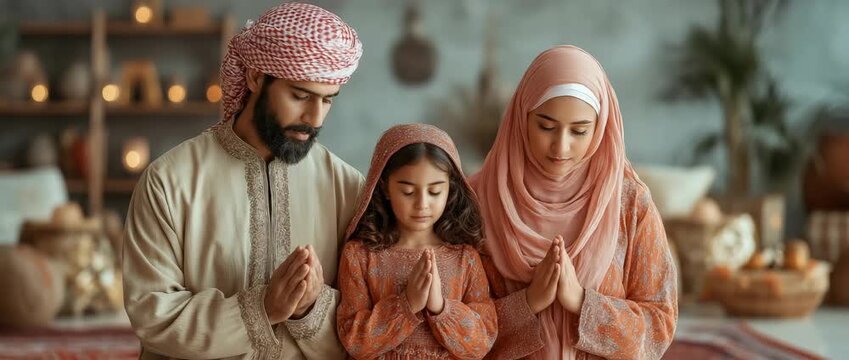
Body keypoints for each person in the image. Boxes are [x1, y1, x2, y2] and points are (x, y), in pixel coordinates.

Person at [122, 3, 364, 358]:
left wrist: (311, 307)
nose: (314, 118)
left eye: (327, 100)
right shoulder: (169, 181)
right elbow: (153, 316)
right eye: (299, 96)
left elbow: (370, 324)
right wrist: (261, 310)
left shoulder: (347, 187)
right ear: (254, 77)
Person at [470, 45, 678, 359]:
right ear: (522, 116)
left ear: (601, 128)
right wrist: (527, 303)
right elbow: (455, 326)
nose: (561, 146)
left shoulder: (628, 203)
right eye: (546, 126)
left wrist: (583, 303)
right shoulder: (476, 201)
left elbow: (659, 323)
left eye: (580, 131)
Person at [336, 124, 497, 359]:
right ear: (385, 187)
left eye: (434, 192)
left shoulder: (466, 258)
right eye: (408, 192)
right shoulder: (360, 255)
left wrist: (441, 308)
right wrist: (406, 305)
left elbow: (482, 341)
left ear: (450, 190)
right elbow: (354, 341)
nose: (422, 204)